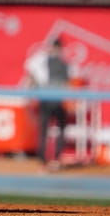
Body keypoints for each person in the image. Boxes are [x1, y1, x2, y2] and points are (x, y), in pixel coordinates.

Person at [22, 37, 70, 171]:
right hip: (51, 100)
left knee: (47, 130)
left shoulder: (49, 61)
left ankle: (49, 160)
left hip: (49, 100)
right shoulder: (50, 61)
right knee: (50, 130)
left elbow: (32, 76)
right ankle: (49, 160)